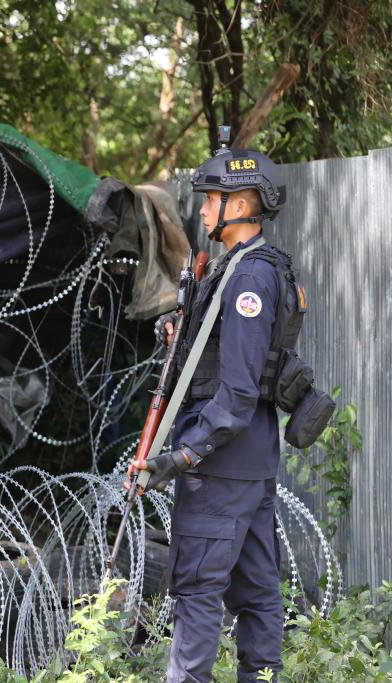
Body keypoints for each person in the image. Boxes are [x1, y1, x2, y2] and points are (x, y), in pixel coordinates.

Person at [141, 140, 291, 681]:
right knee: (257, 591)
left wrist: (183, 456)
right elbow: (218, 352)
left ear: (241, 204)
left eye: (211, 198)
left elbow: (238, 392)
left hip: (221, 464)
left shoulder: (248, 277)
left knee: (199, 592)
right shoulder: (236, 269)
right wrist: (178, 333)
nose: (202, 209)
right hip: (246, 461)